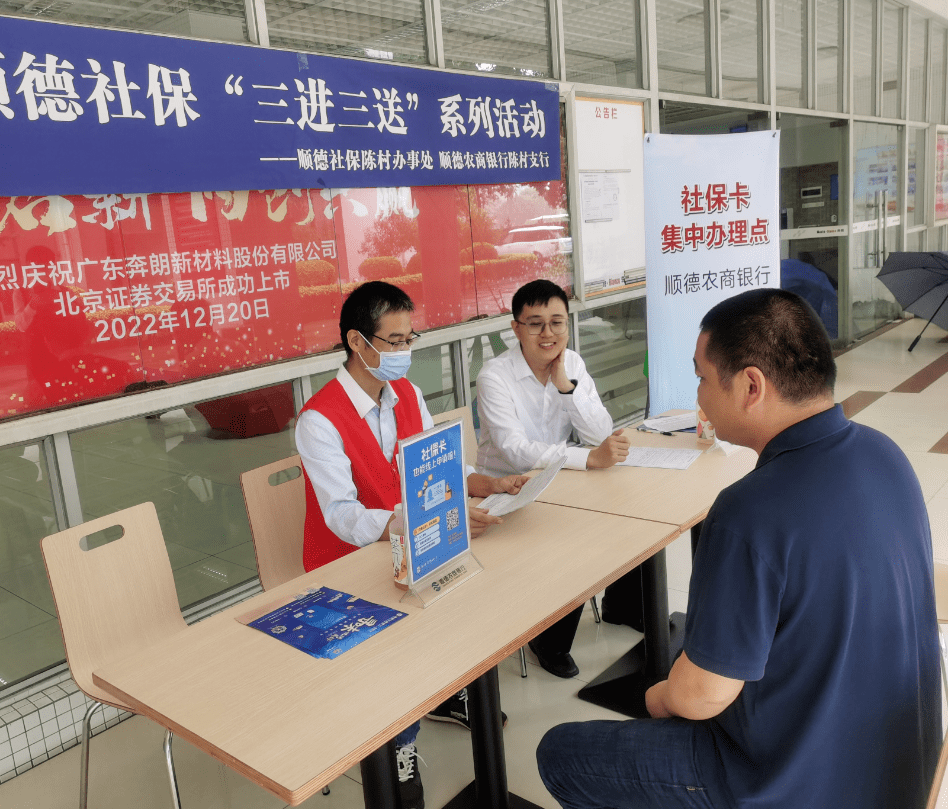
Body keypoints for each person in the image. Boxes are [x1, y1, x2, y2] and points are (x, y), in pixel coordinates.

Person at [536, 288, 940, 809]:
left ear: (751, 386)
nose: (699, 397)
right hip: (898, 768)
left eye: (702, 378)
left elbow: (700, 697)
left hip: (785, 782)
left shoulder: (749, 510)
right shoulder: (887, 455)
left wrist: (658, 695)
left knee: (560, 753)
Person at [296, 280, 528, 809]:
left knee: (477, 594)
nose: (405, 352)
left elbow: (435, 468)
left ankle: (444, 693)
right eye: (395, 341)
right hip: (346, 565)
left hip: (409, 545)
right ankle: (399, 747)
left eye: (409, 339)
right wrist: (419, 520)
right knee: (395, 650)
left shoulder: (407, 395)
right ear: (357, 342)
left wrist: (484, 483)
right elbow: (342, 516)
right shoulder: (319, 420)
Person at [474, 279, 630, 677]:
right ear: (516, 328)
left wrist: (565, 387)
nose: (548, 334)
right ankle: (549, 640)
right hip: (505, 491)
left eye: (557, 322)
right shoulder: (494, 376)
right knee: (574, 539)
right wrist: (588, 459)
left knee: (627, 517)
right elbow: (514, 450)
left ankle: (627, 607)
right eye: (535, 324)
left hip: (559, 482)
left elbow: (601, 432)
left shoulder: (570, 364)